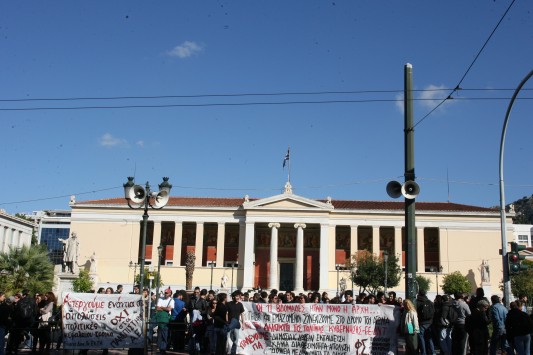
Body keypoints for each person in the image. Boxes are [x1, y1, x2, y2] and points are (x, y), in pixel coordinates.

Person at [415, 290, 435, 355]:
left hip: (421, 323)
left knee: (421, 338)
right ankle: (433, 352)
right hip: (429, 322)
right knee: (429, 338)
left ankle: (423, 352)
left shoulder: (417, 302)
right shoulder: (430, 302)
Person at [156, 289, 174, 355]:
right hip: (160, 319)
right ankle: (161, 349)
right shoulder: (160, 299)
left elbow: (169, 309)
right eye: (165, 292)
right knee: (160, 335)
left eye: (167, 293)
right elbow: (157, 308)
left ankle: (163, 349)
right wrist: (165, 308)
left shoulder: (171, 300)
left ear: (170, 294)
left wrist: (161, 307)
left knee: (165, 335)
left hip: (166, 319)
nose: (165, 294)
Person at [226, 290, 245, 355]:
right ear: (233, 297)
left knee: (236, 340)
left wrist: (243, 324)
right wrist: (227, 322)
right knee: (227, 338)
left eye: (239, 296)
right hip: (229, 324)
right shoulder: (228, 304)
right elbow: (226, 313)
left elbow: (242, 314)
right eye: (236, 296)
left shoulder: (240, 304)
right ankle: (227, 351)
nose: (238, 297)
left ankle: (233, 352)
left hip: (236, 324)